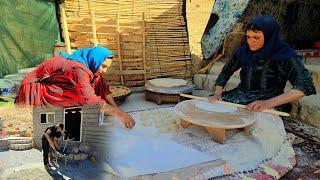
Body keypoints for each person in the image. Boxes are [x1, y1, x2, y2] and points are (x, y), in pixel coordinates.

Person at [209, 15, 316, 112]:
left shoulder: (285, 55)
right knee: (210, 108)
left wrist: (266, 103)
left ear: (270, 36)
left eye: (256, 37)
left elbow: (305, 86)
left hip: (269, 100)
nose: (251, 41)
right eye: (248, 37)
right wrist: (217, 93)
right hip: (240, 96)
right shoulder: (244, 51)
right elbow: (226, 72)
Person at [15, 46, 135, 128]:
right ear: (95, 60)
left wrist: (115, 108)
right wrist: (120, 114)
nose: (104, 70)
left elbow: (102, 87)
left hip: (49, 83)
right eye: (103, 66)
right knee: (79, 98)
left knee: (94, 83)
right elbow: (90, 100)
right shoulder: (77, 69)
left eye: (107, 67)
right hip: (34, 87)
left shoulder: (91, 67)